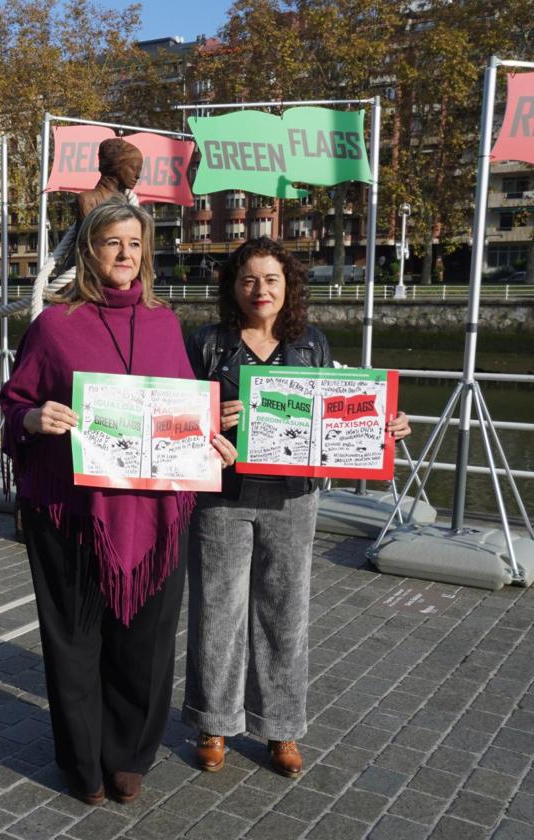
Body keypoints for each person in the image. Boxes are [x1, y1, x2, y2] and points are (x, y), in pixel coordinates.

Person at [0, 198, 235, 805]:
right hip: (72, 513)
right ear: (88, 251)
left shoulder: (164, 324)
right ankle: (82, 763)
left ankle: (129, 755)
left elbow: (181, 408)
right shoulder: (54, 325)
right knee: (75, 642)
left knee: (147, 643)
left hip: (155, 511)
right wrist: (32, 419)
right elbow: (15, 401)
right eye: (112, 243)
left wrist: (208, 436)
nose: (125, 255)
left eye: (134, 244)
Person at [182, 237, 410, 778]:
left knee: (285, 611)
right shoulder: (207, 343)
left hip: (293, 496)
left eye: (271, 280)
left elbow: (338, 419)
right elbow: (177, 421)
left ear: (289, 287)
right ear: (232, 288)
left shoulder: (312, 345)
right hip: (222, 497)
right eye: (248, 280)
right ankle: (214, 720)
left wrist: (382, 429)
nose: (259, 290)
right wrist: (211, 423)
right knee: (218, 610)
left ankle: (280, 726)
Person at [76, 138, 143, 223]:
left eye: (139, 170)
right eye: (134, 168)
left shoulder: (130, 201)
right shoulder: (88, 200)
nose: (138, 175)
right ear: (117, 166)